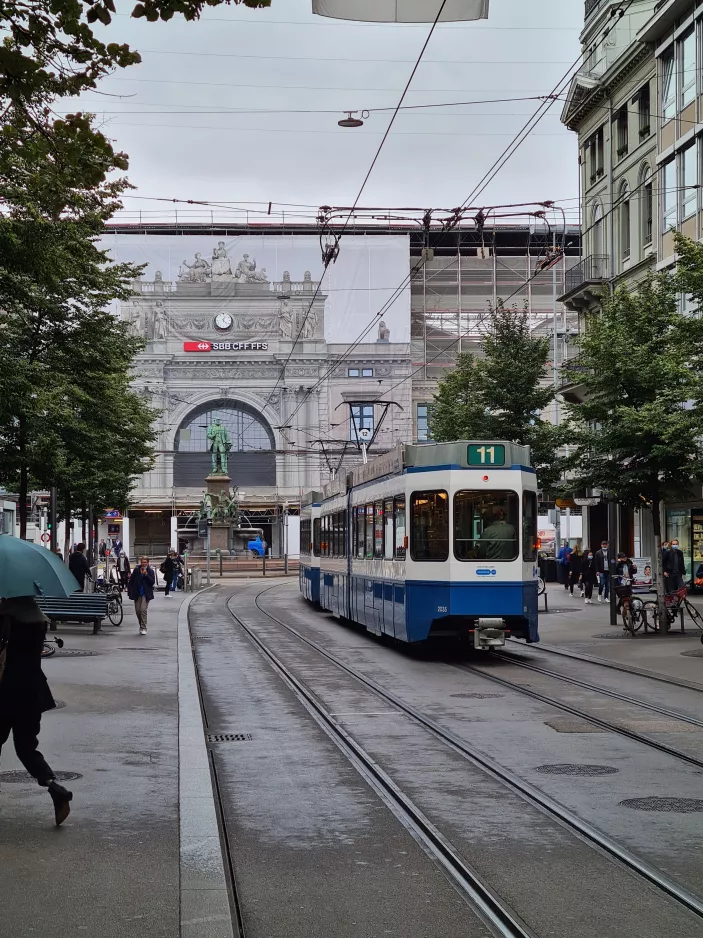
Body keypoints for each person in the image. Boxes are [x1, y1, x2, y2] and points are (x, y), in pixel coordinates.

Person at [0, 597, 73, 825]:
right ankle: (54, 786)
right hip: (32, 693)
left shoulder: (6, 618)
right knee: (27, 747)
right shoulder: (38, 619)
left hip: (6, 692)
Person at [127, 557, 156, 635]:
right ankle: (141, 625)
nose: (144, 564)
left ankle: (143, 627)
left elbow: (152, 582)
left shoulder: (150, 571)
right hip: (137, 593)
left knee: (143, 609)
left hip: (146, 594)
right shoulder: (137, 570)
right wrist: (130, 591)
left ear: (148, 563)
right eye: (142, 562)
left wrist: (146, 575)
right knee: (137, 611)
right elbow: (132, 580)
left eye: (145, 562)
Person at [614, 552, 637, 620]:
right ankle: (618, 607)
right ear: (619, 558)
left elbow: (634, 572)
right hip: (621, 581)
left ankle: (631, 611)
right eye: (622, 557)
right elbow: (615, 572)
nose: (624, 558)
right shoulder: (618, 564)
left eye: (625, 557)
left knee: (630, 596)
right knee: (623, 596)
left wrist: (634, 568)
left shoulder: (629, 562)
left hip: (629, 580)